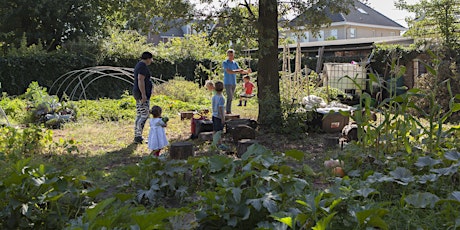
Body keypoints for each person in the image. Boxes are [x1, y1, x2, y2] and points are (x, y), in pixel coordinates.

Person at [133, 51, 154, 144]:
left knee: (139, 114)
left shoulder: (139, 65)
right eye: (151, 59)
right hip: (141, 95)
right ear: (148, 59)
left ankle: (137, 135)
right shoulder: (142, 66)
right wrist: (143, 94)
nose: (151, 61)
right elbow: (140, 79)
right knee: (144, 115)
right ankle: (138, 136)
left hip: (138, 93)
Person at [222, 49, 251, 114]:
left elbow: (241, 71)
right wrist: (238, 71)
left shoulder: (235, 63)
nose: (231, 56)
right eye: (229, 55)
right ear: (227, 55)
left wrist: (247, 71)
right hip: (227, 82)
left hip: (233, 82)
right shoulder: (225, 62)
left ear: (233, 55)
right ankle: (228, 111)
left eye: (232, 55)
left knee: (231, 97)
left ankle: (225, 109)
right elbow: (229, 71)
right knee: (229, 96)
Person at [212, 81, 227, 149]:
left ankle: (214, 142)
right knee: (219, 131)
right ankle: (219, 144)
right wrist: (223, 118)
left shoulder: (214, 97)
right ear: (223, 88)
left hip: (214, 115)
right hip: (218, 116)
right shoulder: (221, 98)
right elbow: (221, 108)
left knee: (215, 130)